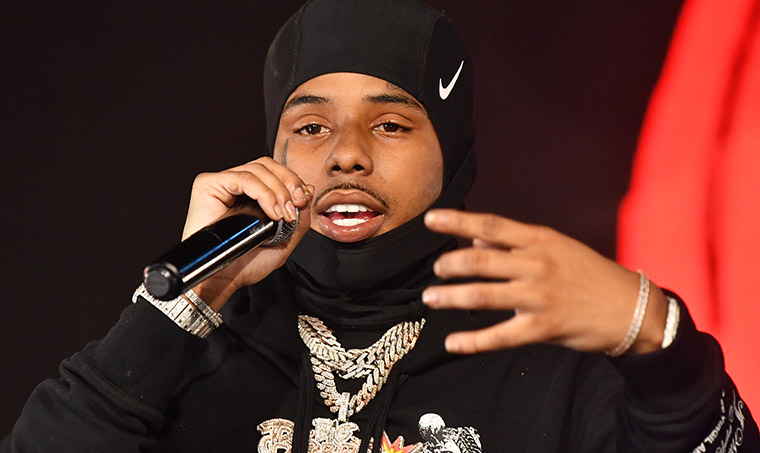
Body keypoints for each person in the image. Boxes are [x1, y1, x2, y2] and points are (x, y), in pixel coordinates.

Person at [2, 0, 758, 451]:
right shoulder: (194, 347)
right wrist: (183, 306)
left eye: (391, 125)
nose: (346, 155)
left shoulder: (540, 352)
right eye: (310, 127)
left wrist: (660, 340)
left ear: (452, 151)